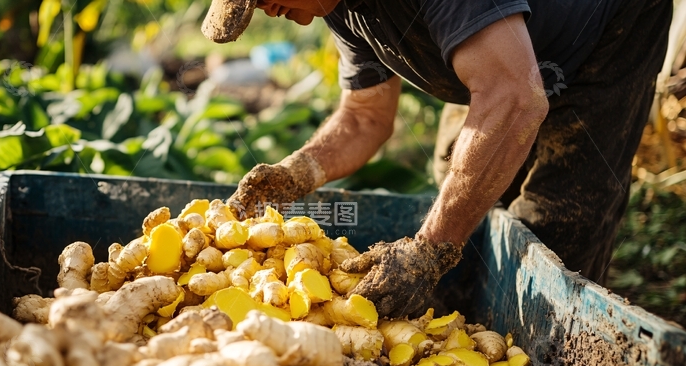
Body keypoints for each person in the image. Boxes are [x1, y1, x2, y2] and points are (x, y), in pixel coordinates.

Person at [200, 0, 672, 317]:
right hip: (498, 57)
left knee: (554, 230)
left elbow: (517, 97)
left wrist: (429, 250)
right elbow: (365, 116)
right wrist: (294, 173)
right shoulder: (338, 8)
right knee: (457, 179)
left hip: (600, 39)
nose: (266, 10)